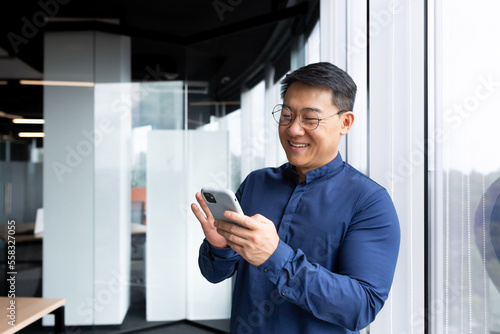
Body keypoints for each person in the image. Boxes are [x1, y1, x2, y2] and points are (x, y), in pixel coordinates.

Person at [191, 62, 400, 334]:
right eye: (287, 115)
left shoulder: (370, 202)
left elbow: (362, 307)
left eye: (310, 119)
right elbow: (214, 274)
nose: (293, 130)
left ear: (345, 123)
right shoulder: (256, 183)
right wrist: (220, 248)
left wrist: (276, 257)